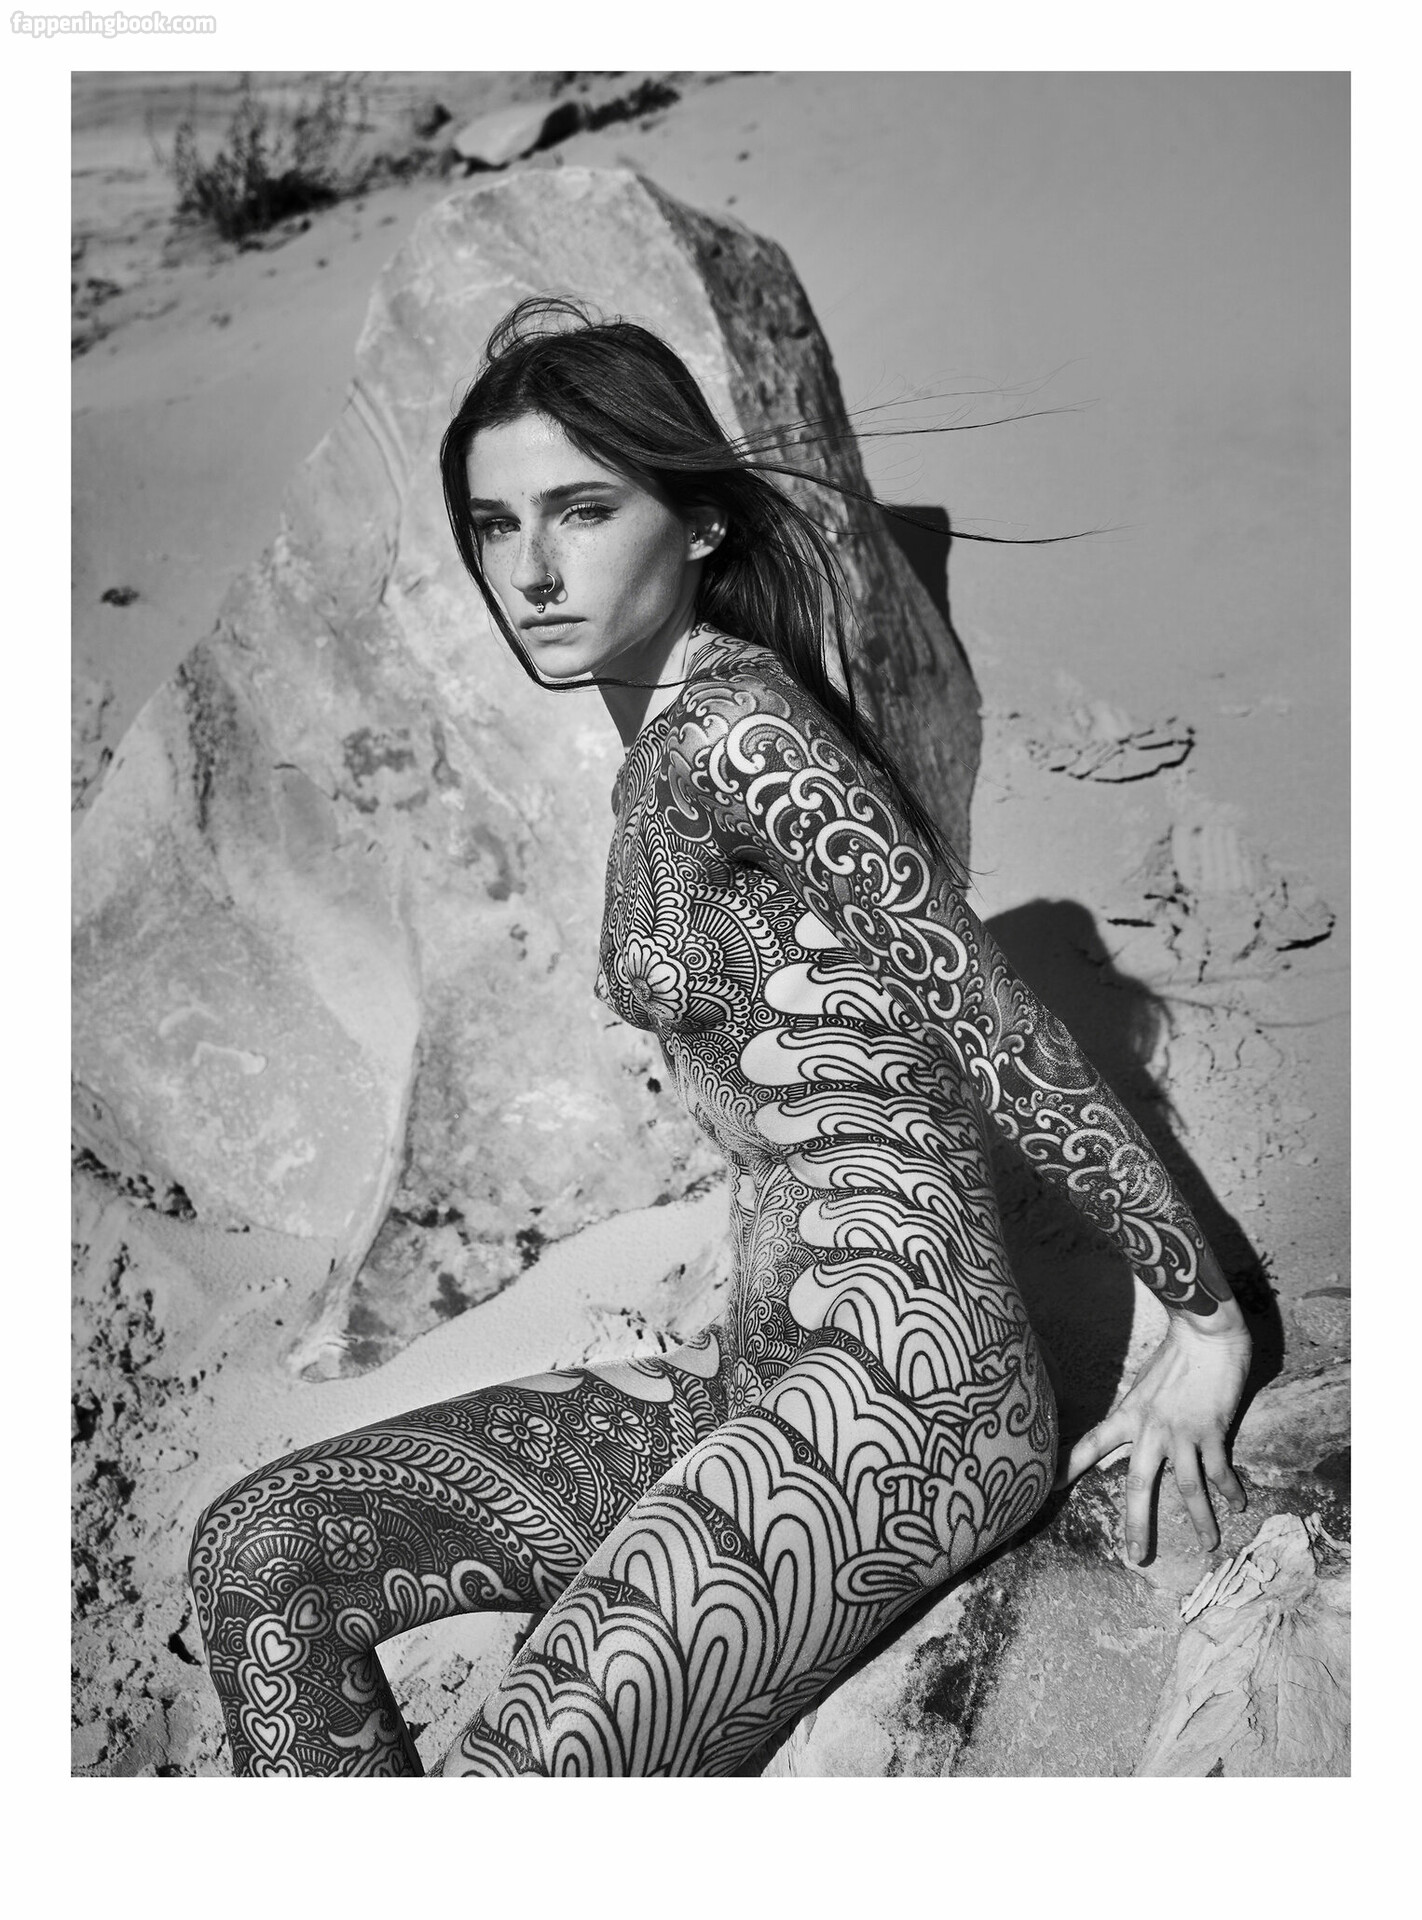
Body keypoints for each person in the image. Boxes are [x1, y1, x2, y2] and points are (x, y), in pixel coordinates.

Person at [188, 298, 1252, 1777]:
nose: (532, 570)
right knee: (263, 1549)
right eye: (495, 525)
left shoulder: (746, 737)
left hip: (910, 1397)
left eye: (582, 511)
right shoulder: (658, 736)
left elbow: (990, 1016)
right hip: (747, 1371)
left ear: (694, 523)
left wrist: (1209, 1323)